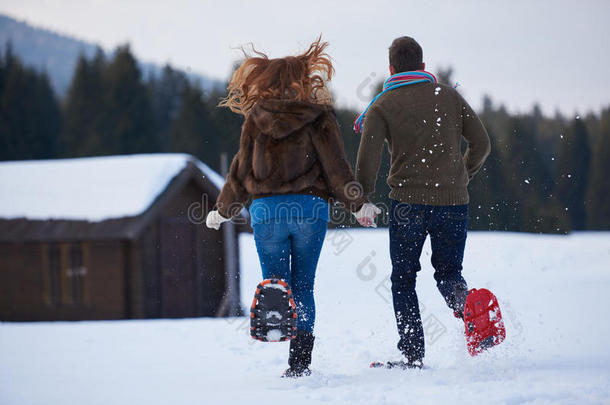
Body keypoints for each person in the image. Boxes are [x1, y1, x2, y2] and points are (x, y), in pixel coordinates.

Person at [205, 38, 380, 377]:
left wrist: (223, 209)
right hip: (309, 210)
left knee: (279, 281)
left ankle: (274, 295)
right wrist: (358, 205)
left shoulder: (255, 119)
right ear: (304, 77)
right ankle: (299, 364)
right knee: (304, 287)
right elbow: (336, 167)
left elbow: (241, 170)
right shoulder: (319, 117)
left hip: (266, 211)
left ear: (267, 80)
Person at [354, 36, 491, 368]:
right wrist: (462, 175)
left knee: (403, 278)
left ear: (391, 69)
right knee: (448, 273)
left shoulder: (382, 105)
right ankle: (467, 307)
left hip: (407, 204)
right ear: (423, 66)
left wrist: (361, 199)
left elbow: (367, 160)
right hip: (453, 203)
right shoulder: (448, 96)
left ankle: (412, 353)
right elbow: (482, 143)